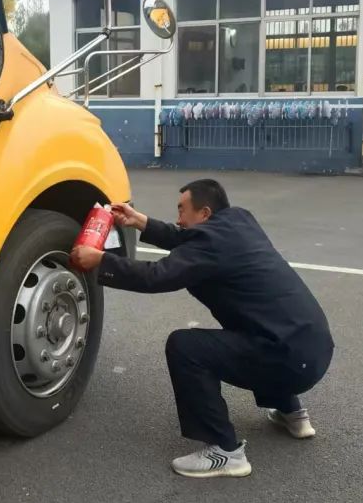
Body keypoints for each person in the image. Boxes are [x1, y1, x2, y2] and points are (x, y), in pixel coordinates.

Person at [70, 180, 333, 478]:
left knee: (186, 347)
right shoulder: (239, 220)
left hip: (286, 360)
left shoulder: (209, 244)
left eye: (182, 210)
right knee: (256, 332)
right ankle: (293, 414)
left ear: (205, 212)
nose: (179, 219)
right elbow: (188, 237)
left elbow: (156, 276)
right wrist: (139, 221)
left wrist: (102, 260)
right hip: (315, 349)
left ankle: (225, 451)